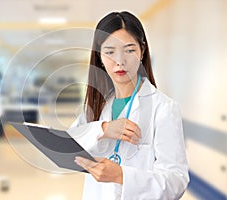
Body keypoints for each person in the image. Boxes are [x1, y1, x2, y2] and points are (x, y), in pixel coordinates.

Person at [67, 11, 189, 200]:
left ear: (142, 51)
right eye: (109, 52)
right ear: (99, 56)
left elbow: (176, 181)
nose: (119, 61)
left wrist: (121, 176)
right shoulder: (97, 105)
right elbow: (68, 146)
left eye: (129, 50)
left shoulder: (163, 108)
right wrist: (103, 129)